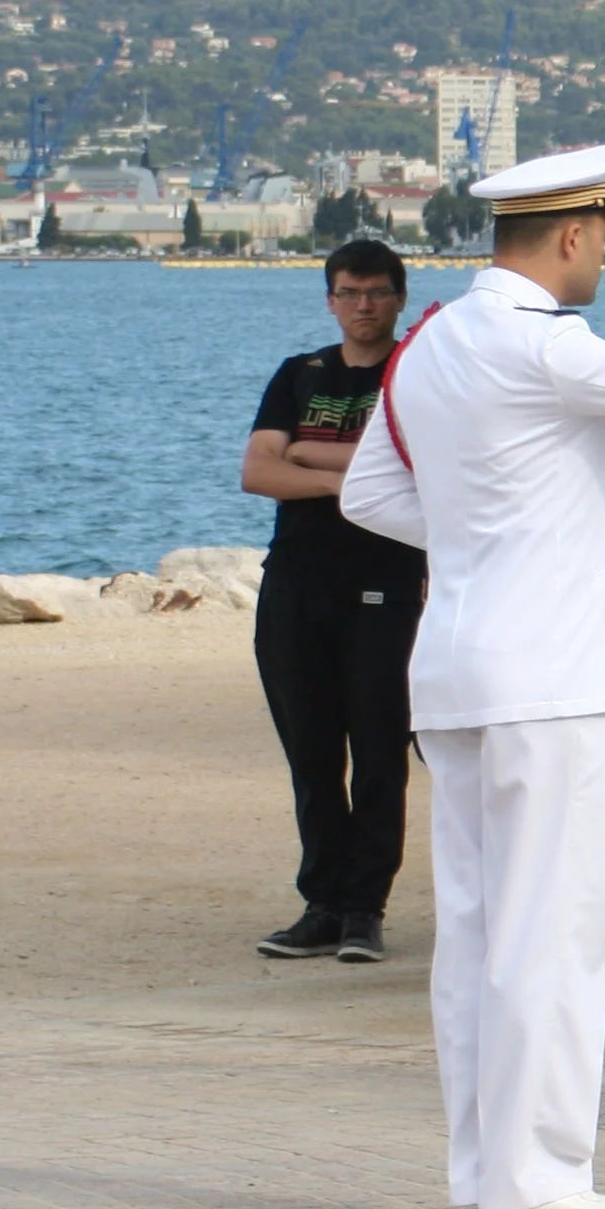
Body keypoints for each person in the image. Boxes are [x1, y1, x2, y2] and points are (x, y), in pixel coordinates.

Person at [340, 146, 605, 1209]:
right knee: (551, 930)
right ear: (571, 236)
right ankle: (540, 1176)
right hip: (550, 676)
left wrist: (481, 533)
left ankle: (482, 1168)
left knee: (476, 932)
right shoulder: (543, 342)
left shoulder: (430, 343)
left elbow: (368, 493)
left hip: (456, 667)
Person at [240, 236, 428, 965]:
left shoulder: (414, 374)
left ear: (399, 299)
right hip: (295, 584)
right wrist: (340, 480)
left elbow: (417, 466)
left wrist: (304, 453)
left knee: (379, 752)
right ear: (330, 300)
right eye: (349, 293)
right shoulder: (300, 374)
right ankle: (321, 902)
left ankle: (363, 909)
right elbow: (258, 471)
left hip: (385, 584)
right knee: (313, 756)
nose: (363, 306)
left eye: (376, 292)